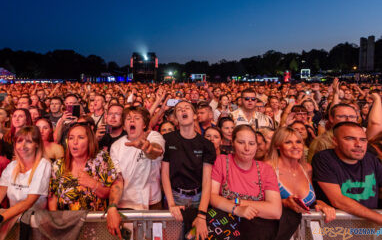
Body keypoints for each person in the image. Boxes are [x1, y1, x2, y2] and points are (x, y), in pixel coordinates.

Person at [209, 125, 282, 240]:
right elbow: (212, 197)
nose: (247, 148)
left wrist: (238, 202)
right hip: (224, 229)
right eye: (241, 142)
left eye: (252, 144)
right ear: (232, 142)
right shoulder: (221, 161)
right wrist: (237, 210)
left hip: (256, 233)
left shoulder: (266, 170)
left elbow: (275, 210)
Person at [106, 107, 165, 237]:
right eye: (128, 119)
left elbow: (156, 151)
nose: (132, 120)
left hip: (153, 203)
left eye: (137, 118)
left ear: (144, 124)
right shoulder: (116, 146)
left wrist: (147, 148)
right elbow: (118, 179)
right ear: (125, 125)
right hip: (126, 204)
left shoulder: (153, 136)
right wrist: (112, 207)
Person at [267, 127, 335, 239]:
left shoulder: (307, 168)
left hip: (304, 233)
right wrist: (284, 202)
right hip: (275, 233)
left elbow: (308, 202)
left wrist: (321, 204)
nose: (295, 146)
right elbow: (255, 200)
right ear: (277, 146)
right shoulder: (267, 167)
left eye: (298, 142)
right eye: (288, 142)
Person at [161, 101, 216, 240]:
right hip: (176, 195)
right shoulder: (167, 140)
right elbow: (165, 174)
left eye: (187, 108)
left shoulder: (206, 145)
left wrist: (202, 214)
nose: (183, 110)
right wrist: (171, 203)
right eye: (179, 109)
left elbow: (207, 180)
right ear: (175, 117)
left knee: (197, 236)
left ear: (195, 115)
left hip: (199, 197)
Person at [312, 122, 382, 224]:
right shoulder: (324, 159)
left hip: (368, 228)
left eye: (363, 140)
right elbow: (338, 200)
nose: (358, 144)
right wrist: (379, 218)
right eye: (350, 138)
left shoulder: (370, 159)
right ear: (335, 141)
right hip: (336, 228)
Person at [49, 124, 117, 211]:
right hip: (65, 222)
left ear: (89, 141)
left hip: (94, 221)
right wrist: (55, 220)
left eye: (80, 137)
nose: (75, 142)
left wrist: (93, 184)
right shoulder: (58, 165)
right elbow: (52, 196)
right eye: (71, 138)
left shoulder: (101, 159)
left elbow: (110, 193)